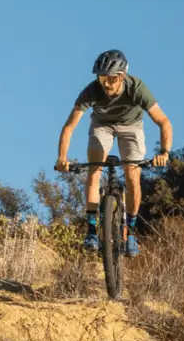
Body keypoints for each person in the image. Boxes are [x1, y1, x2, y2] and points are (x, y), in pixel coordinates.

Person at [54, 49, 172, 256]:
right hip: (102, 126)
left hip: (131, 127)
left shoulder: (137, 88)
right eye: (101, 78)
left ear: (121, 76)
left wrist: (164, 152)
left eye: (110, 78)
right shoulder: (91, 91)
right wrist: (62, 158)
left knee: (132, 175)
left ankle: (131, 232)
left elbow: (163, 121)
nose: (105, 84)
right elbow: (69, 127)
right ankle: (91, 231)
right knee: (94, 170)